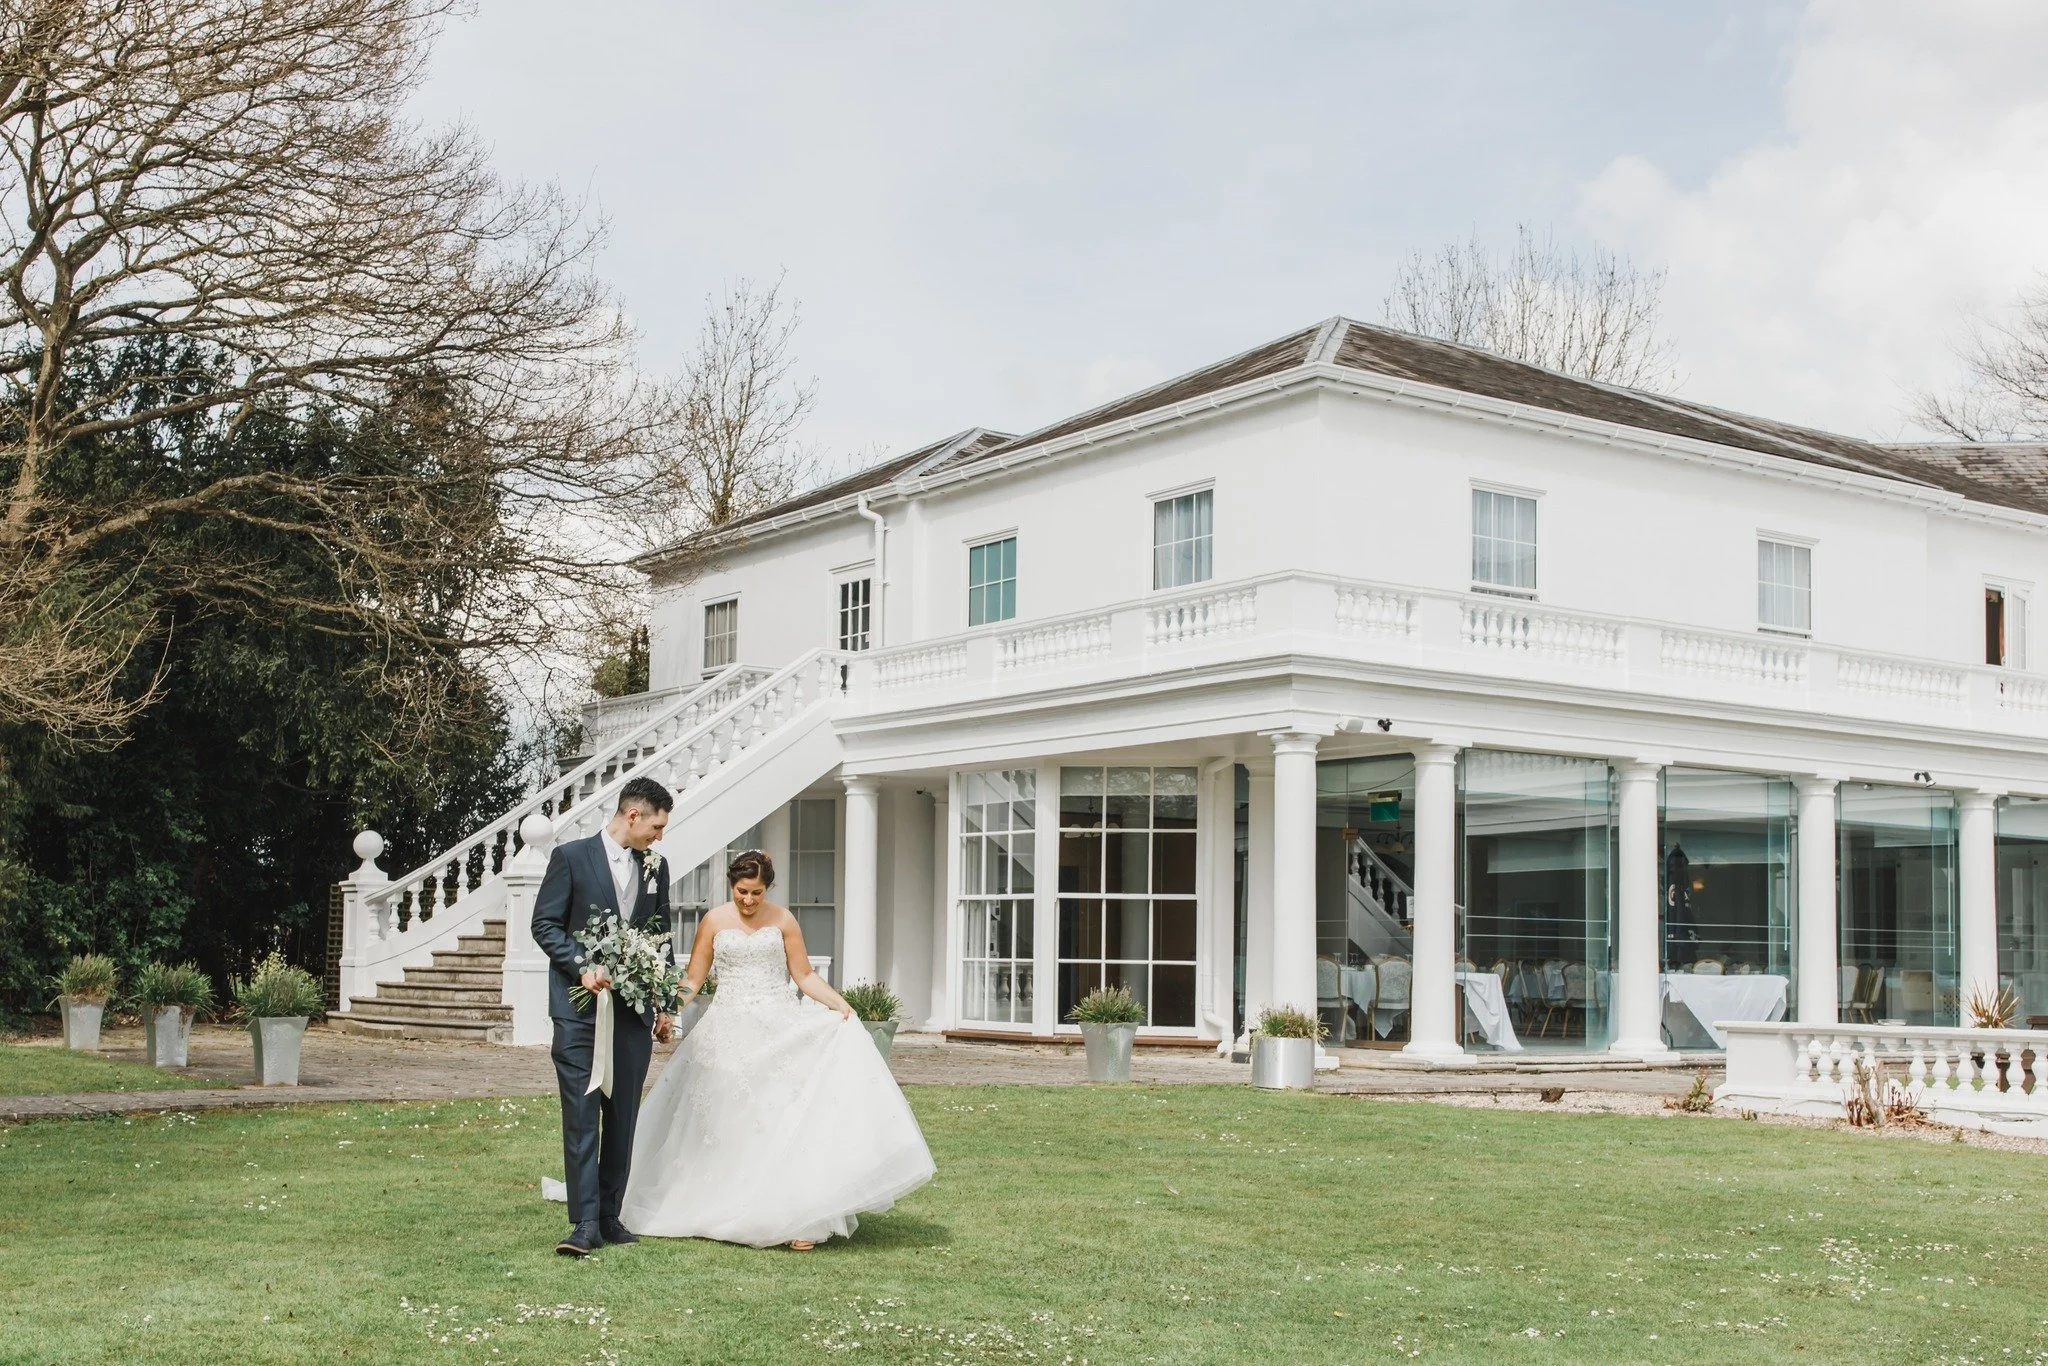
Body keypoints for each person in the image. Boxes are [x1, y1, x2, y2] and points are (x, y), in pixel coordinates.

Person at [621, 849, 936, 1249]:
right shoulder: (714, 921)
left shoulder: (784, 920)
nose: (748, 901)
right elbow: (694, 979)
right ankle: (724, 1202)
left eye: (755, 893)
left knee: (782, 1116)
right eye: (741, 892)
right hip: (727, 1032)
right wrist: (668, 1010)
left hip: (779, 1028)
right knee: (728, 1119)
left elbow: (802, 974)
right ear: (731, 886)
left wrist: (840, 1004)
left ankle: (795, 1216)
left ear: (767, 888)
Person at [531, 776, 675, 1257]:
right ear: (633, 815)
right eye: (656, 826)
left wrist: (664, 1005)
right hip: (579, 1013)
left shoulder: (657, 868)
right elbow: (545, 924)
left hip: (633, 1015)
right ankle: (583, 1222)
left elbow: (661, 938)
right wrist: (581, 966)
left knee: (623, 1117)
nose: (659, 836)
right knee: (581, 1115)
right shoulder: (571, 858)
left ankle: (611, 1214)